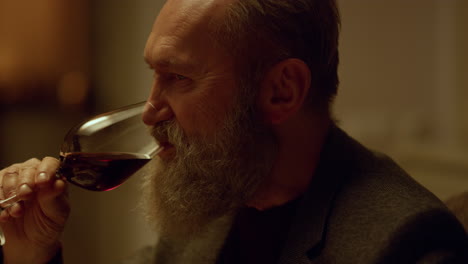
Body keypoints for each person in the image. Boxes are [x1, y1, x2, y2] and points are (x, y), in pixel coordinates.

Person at [0, 0, 467, 263]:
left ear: (282, 91)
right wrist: (32, 255)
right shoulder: (220, 192)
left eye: (179, 78)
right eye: (154, 74)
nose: (149, 112)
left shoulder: (407, 245)